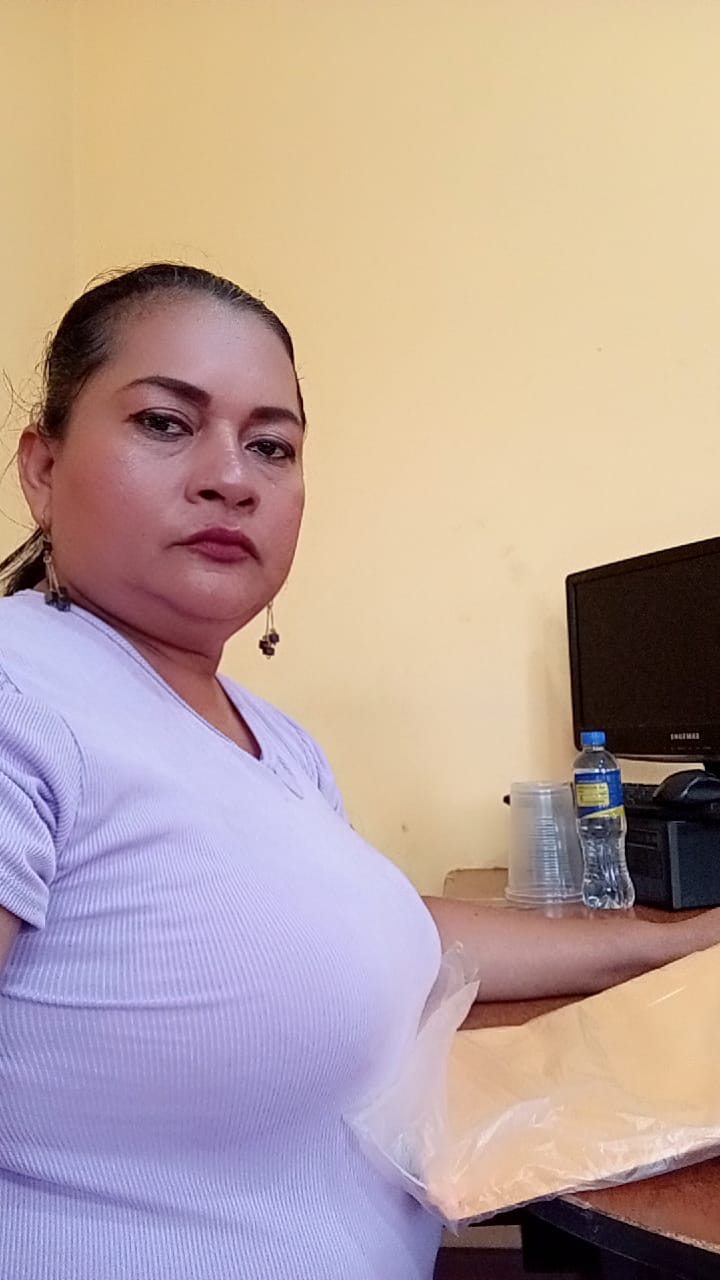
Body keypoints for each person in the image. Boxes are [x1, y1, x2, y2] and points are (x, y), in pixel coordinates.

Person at [0, 263, 718, 1280]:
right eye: (165, 422)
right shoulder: (22, 697)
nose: (231, 477)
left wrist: (676, 942)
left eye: (272, 445)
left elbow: (388, 924)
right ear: (41, 466)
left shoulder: (271, 736)